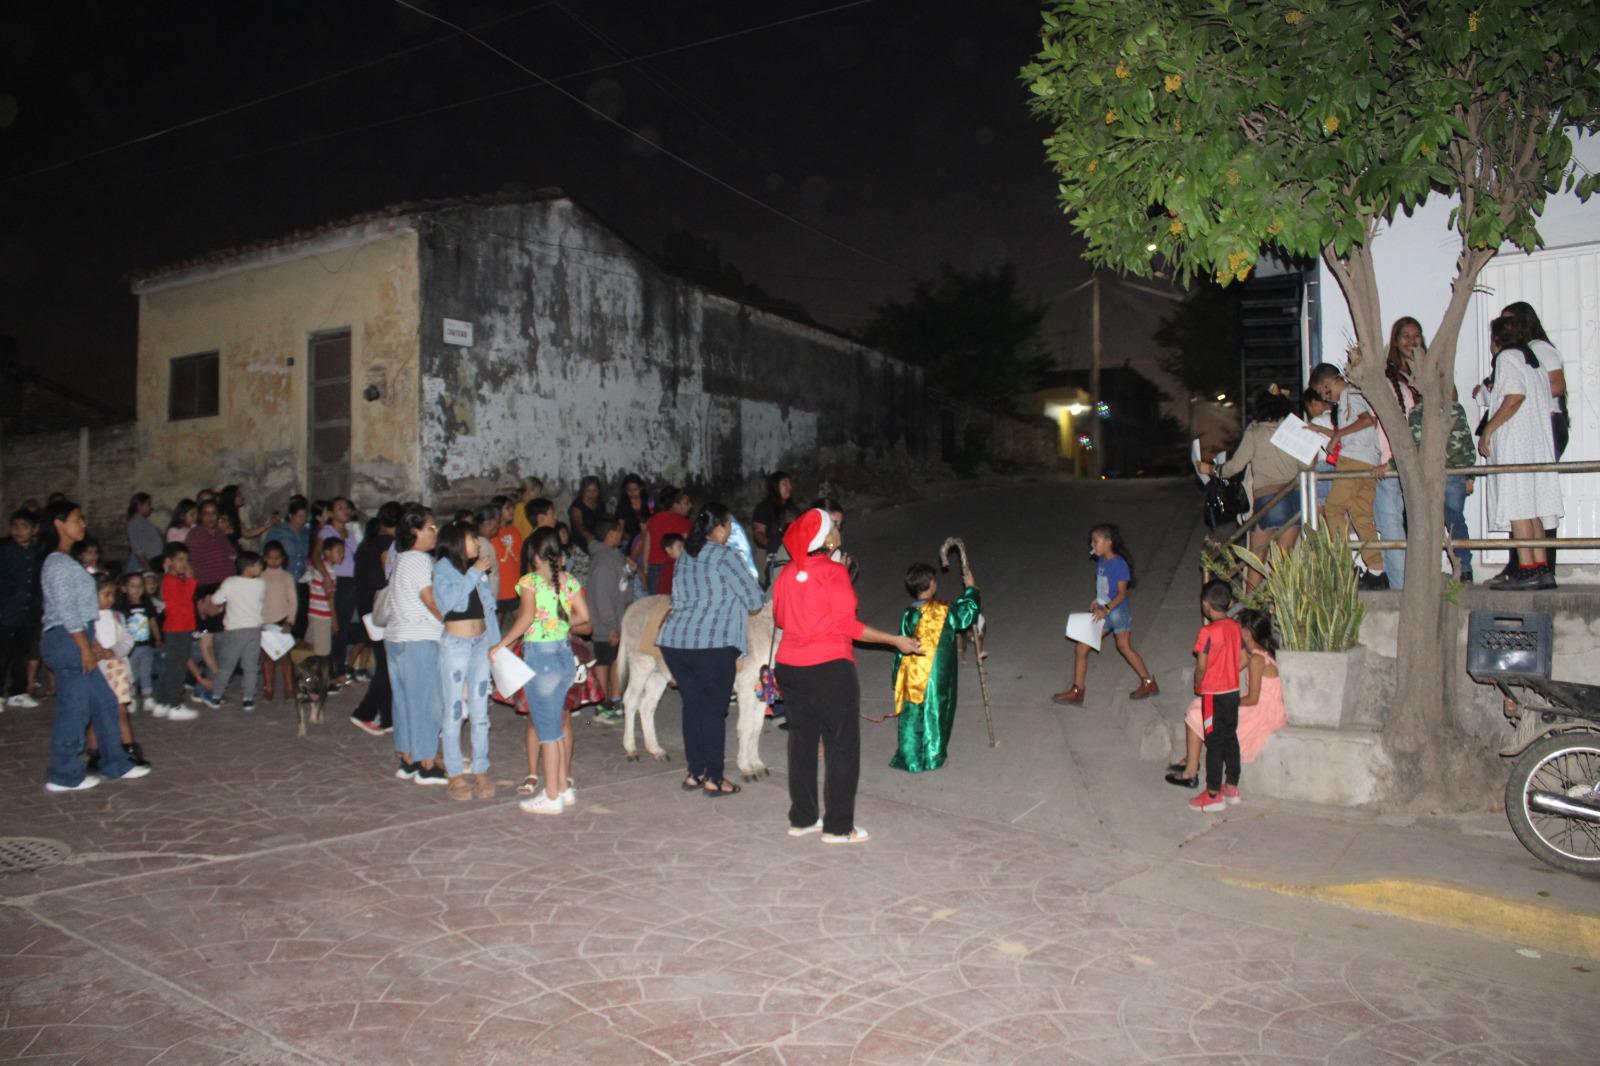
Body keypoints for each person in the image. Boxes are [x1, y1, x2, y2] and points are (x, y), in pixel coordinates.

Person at [772, 508, 920, 845]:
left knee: (801, 743)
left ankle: (803, 818)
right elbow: (849, 627)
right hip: (828, 669)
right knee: (841, 746)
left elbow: (780, 618)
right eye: (834, 527)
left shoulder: (785, 574)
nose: (839, 531)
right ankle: (838, 827)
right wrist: (894, 640)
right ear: (826, 539)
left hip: (791, 667)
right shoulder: (833, 572)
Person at [38, 500, 151, 792]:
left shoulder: (67, 560)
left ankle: (115, 762)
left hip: (78, 635)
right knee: (75, 708)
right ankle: (62, 773)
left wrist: (90, 642)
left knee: (106, 702)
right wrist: (84, 648)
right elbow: (66, 610)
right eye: (77, 519)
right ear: (59, 524)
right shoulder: (57, 563)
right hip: (67, 637)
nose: (83, 523)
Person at [657, 503, 765, 796]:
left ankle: (695, 772)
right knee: (714, 712)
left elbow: (679, 597)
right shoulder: (725, 556)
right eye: (729, 526)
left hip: (676, 642)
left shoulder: (684, 556)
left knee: (693, 707)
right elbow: (755, 600)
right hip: (713, 644)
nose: (730, 531)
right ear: (718, 528)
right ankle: (715, 778)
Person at [494, 526, 591, 815]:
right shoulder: (569, 580)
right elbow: (585, 618)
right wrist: (559, 624)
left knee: (547, 732)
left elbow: (524, 618)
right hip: (564, 657)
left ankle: (550, 797)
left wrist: (500, 644)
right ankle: (563, 788)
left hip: (541, 658)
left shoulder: (530, 582)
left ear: (534, 556)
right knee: (558, 728)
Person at [1481, 315, 1562, 590]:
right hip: (1535, 443)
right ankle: (1542, 568)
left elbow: (1515, 396)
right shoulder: (1533, 361)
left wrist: (1489, 430)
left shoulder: (1507, 358)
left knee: (1518, 507)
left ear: (1497, 340)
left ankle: (1526, 570)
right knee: (1533, 508)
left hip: (1517, 443)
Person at [1198, 386, 1305, 585]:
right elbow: (1307, 465)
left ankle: (1251, 611)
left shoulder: (1256, 431)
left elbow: (1234, 467)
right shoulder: (1294, 430)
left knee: (1255, 563)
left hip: (1268, 500)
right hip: (1294, 500)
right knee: (1283, 568)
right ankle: (1279, 612)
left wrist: (1211, 469)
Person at [1167, 608, 1285, 789]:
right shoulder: (1255, 652)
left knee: (1197, 711)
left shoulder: (1258, 660)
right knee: (1200, 705)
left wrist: (1225, 700)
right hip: (1259, 705)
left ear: (1246, 633)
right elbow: (1234, 668)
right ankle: (1191, 761)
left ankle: (1190, 772)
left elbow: (1253, 699)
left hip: (1260, 712)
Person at [888, 561, 981, 773]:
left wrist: (897, 674)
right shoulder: (943, 610)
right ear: (932, 584)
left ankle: (909, 757)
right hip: (937, 674)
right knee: (937, 711)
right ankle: (934, 756)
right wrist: (972, 590)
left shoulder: (909, 612)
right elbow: (966, 615)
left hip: (913, 670)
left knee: (912, 712)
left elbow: (901, 643)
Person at [1052, 524, 1157, 705]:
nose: (1092, 545)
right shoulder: (1101, 560)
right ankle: (1078, 691)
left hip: (1117, 613)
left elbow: (1122, 594)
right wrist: (1097, 600)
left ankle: (1149, 682)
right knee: (1082, 646)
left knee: (1124, 647)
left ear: (1108, 542)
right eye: (1092, 541)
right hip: (1104, 611)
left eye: (1096, 541)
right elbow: (1105, 587)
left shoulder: (1119, 564)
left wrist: (1105, 609)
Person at [432, 520, 499, 801]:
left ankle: (481, 767)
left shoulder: (478, 571)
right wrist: (473, 574)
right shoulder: (443, 569)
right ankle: (455, 771)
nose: (477, 543)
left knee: (480, 710)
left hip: (480, 644)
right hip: (456, 646)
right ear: (457, 541)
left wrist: (496, 645)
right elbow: (450, 604)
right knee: (454, 710)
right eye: (472, 538)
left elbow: (488, 609)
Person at [1309, 362, 1387, 589]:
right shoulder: (1353, 394)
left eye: (1325, 392)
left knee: (1332, 509)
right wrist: (1328, 433)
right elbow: (1359, 428)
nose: (1327, 398)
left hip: (1352, 462)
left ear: (1328, 383)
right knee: (1361, 515)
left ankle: (1344, 565)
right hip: (1367, 460)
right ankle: (1376, 569)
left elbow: (1367, 421)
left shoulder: (1349, 394)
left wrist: (1336, 436)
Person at [386, 504, 446, 784]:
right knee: (426, 701)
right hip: (419, 637)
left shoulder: (398, 558)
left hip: (397, 636)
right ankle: (426, 762)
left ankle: (408, 757)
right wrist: (451, 622)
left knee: (404, 700)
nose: (435, 532)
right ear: (414, 531)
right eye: (430, 527)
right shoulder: (420, 560)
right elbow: (430, 600)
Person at [1371, 318, 1425, 589]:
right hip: (1392, 460)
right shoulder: (1389, 378)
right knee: (1391, 521)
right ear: (1395, 340)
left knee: (1396, 521)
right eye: (1405, 336)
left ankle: (1405, 585)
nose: (1411, 342)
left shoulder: (1422, 375)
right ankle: (1402, 584)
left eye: (1416, 336)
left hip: (1410, 462)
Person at [1187, 580, 1243, 814]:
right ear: (1229, 603)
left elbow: (1202, 664)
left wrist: (1198, 682)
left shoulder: (1207, 632)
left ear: (1205, 605)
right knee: (1230, 737)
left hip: (1213, 694)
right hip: (1232, 692)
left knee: (1214, 742)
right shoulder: (1235, 627)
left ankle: (1212, 794)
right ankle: (1231, 786)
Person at [87, 572, 148, 771]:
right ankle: (95, 753)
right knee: (95, 713)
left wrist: (113, 651)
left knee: (121, 711)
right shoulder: (85, 619)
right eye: (105, 594)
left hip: (115, 668)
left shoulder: (115, 616)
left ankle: (129, 748)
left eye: (112, 594)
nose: (110, 599)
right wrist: (92, 650)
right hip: (95, 670)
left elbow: (127, 640)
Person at [350, 502, 401, 734]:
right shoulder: (387, 545)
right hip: (379, 610)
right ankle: (365, 712)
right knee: (387, 665)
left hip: (367, 608)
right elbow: (389, 577)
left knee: (385, 661)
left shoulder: (367, 543)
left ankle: (388, 717)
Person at [202, 552, 266, 711]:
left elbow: (216, 600)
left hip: (234, 630)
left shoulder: (230, 582)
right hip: (253, 629)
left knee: (226, 665)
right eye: (258, 565)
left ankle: (216, 695)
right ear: (248, 567)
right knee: (250, 666)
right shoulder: (261, 584)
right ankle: (248, 698)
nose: (260, 568)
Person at [583, 516, 633, 723]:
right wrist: (612, 626)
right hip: (606, 624)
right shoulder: (603, 562)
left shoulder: (614, 556)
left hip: (616, 620)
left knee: (614, 661)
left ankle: (612, 700)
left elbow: (620, 586)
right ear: (610, 534)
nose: (622, 535)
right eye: (619, 531)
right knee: (606, 662)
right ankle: (605, 703)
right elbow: (602, 596)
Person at [151, 545, 200, 720]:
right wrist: (191, 579)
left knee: (173, 666)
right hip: (178, 629)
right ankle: (175, 704)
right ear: (169, 562)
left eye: (186, 560)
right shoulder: (171, 581)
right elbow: (185, 599)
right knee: (177, 668)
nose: (184, 564)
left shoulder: (174, 580)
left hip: (180, 627)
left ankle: (162, 702)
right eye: (180, 560)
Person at [1, 509, 42, 709]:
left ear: (34, 530)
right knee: (2, 655)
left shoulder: (37, 554)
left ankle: (17, 692)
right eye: (15, 526)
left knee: (21, 654)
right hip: (7, 612)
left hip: (28, 613)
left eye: (24, 527)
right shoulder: (5, 552)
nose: (18, 531)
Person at [319, 496, 363, 684]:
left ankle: (339, 668)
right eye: (339, 508)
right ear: (330, 513)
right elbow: (316, 555)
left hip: (353, 581)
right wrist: (327, 577)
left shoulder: (350, 532)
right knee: (338, 627)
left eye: (346, 508)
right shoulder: (326, 531)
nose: (344, 511)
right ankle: (335, 671)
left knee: (345, 627)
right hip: (339, 581)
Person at [258, 541, 297, 702]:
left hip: (282, 621)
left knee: (285, 656)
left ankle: (289, 685)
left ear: (283, 559)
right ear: (265, 558)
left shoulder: (287, 577)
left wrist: (290, 620)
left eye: (277, 558)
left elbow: (293, 601)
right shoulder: (260, 576)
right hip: (264, 622)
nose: (273, 561)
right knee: (267, 657)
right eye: (270, 558)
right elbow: (256, 600)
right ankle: (268, 685)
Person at [117, 571, 161, 712]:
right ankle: (132, 697)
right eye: (132, 586)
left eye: (140, 586)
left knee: (146, 671)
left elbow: (153, 623)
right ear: (124, 588)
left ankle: (147, 697)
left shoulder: (147, 606)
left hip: (146, 646)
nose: (137, 589)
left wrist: (158, 639)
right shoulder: (121, 608)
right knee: (132, 673)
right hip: (130, 648)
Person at [751, 471, 800, 585]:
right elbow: (758, 533)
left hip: (792, 556)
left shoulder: (792, 509)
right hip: (771, 556)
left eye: (790, 484)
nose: (789, 487)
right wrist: (773, 545)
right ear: (775, 486)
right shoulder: (764, 508)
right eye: (785, 483)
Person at [643, 488, 693, 595]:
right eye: (686, 503)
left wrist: (646, 571)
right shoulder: (685, 523)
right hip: (673, 568)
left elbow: (647, 545)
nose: (690, 506)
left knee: (656, 607)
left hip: (654, 568)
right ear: (675, 505)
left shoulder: (654, 518)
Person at [490, 495, 524, 628]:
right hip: (500, 587)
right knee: (496, 627)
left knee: (522, 624)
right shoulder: (492, 533)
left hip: (515, 585)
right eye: (507, 508)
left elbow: (521, 554)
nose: (511, 511)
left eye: (512, 508)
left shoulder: (514, 531)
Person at [306, 536, 342, 659]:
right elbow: (330, 598)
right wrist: (334, 620)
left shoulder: (319, 568)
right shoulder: (329, 572)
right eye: (339, 551)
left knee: (316, 647)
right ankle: (321, 676)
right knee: (323, 653)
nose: (342, 555)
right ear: (327, 553)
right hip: (323, 615)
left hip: (313, 612)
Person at [1301, 388, 1336, 510]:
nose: (1310, 412)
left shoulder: (1317, 422)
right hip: (1340, 466)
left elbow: (1312, 453)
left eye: (1308, 408)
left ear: (1314, 403)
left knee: (1322, 508)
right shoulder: (1338, 417)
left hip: (1323, 467)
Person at [124, 493, 165, 574]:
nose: (150, 507)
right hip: (148, 563)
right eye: (148, 504)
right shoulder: (134, 523)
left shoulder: (143, 521)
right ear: (139, 506)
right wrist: (148, 569)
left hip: (154, 561)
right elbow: (137, 549)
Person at [568, 475, 605, 552]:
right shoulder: (577, 506)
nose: (591, 494)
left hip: (597, 538)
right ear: (583, 491)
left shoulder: (601, 504)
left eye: (594, 491)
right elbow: (579, 525)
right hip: (581, 539)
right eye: (588, 491)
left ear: (599, 491)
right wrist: (588, 536)